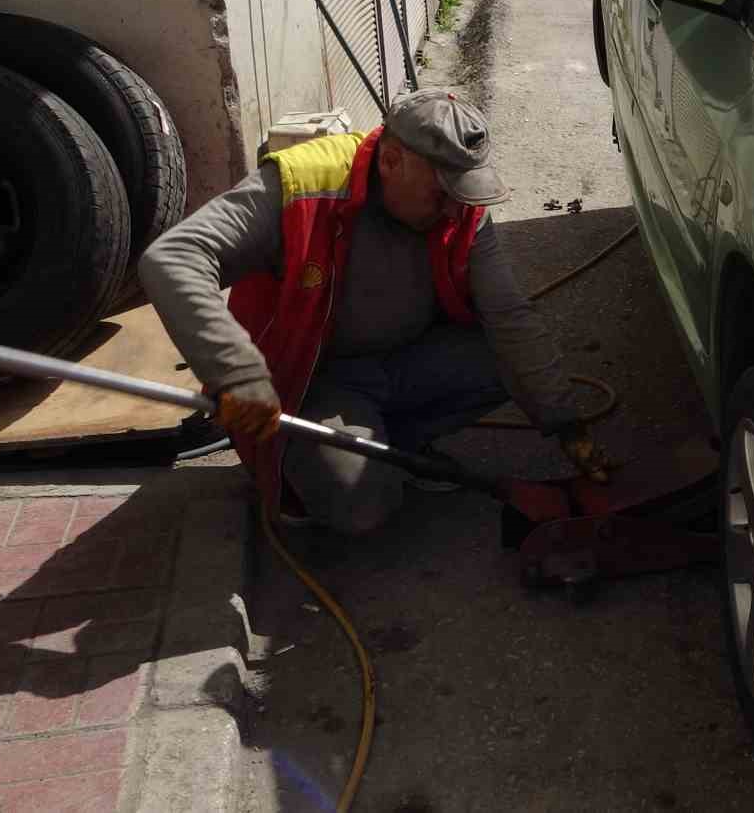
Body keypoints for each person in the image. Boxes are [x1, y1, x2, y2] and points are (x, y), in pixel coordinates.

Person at [139, 87, 605, 534]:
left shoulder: (460, 207)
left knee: (506, 362)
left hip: (408, 360)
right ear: (390, 160)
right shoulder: (304, 185)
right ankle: (328, 462)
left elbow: (510, 317)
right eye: (441, 193)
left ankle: (392, 447)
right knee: (360, 506)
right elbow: (172, 258)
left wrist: (565, 422)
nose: (453, 209)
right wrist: (236, 372)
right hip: (315, 383)